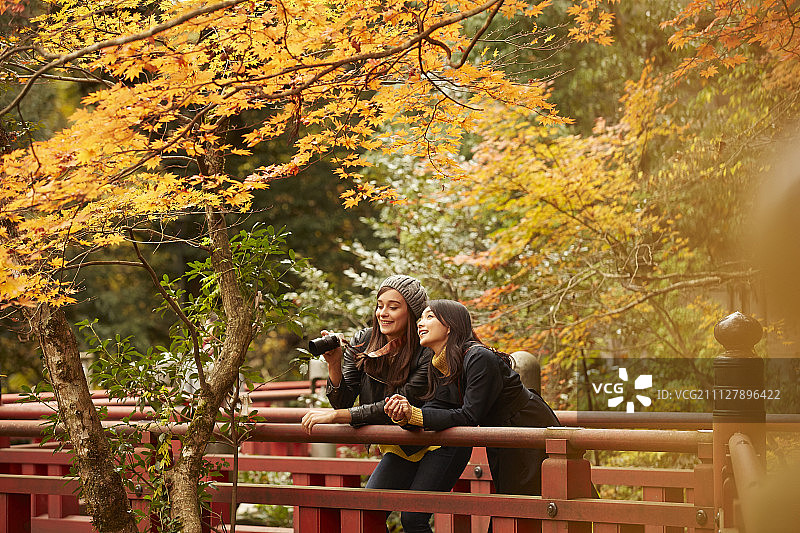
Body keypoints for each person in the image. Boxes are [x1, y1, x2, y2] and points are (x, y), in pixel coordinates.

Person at [300, 275, 472, 533]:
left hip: (441, 440)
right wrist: (334, 363)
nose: (383, 313)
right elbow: (342, 401)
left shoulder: (428, 348)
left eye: (393, 307)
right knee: (368, 511)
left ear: (412, 312)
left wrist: (336, 417)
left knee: (413, 518)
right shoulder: (363, 341)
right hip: (403, 443)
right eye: (380, 306)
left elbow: (396, 405)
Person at [385, 299, 561, 500]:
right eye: (421, 318)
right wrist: (406, 416)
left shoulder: (478, 357)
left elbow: (470, 415)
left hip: (526, 425)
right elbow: (437, 407)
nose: (420, 323)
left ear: (449, 326)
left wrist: (417, 415)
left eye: (429, 316)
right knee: (511, 503)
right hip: (500, 434)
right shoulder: (440, 363)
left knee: (536, 500)